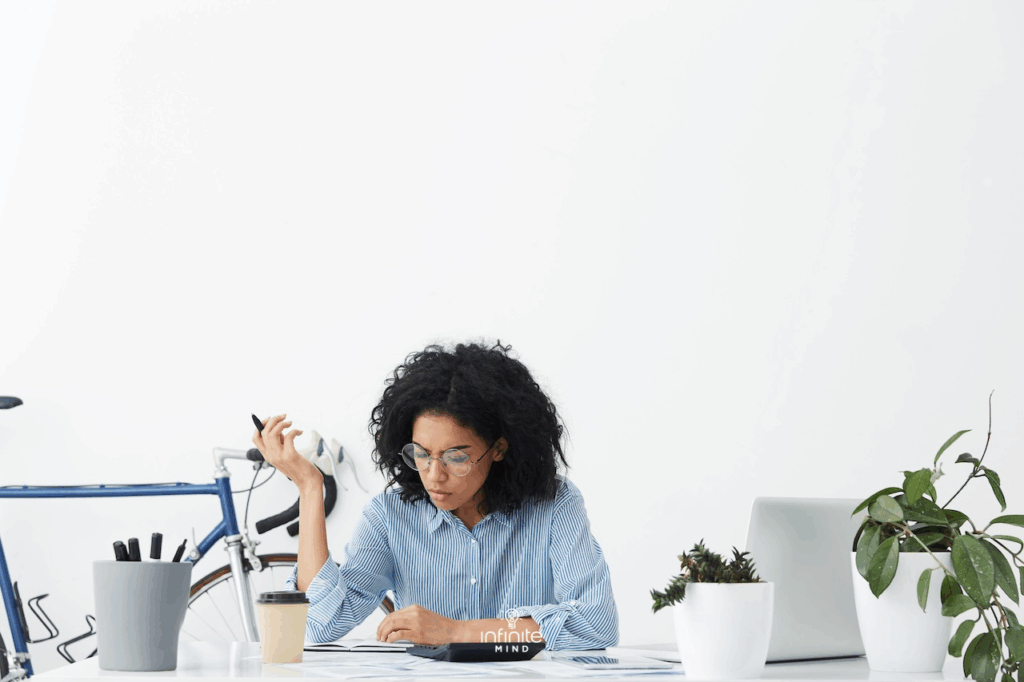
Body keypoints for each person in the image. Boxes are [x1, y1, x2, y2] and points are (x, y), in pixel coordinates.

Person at [253, 340, 618, 650]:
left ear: (499, 448)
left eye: (457, 457)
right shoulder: (390, 516)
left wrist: (455, 632)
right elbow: (319, 625)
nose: (434, 475)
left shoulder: (555, 504)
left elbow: (596, 624)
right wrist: (309, 487)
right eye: (422, 454)